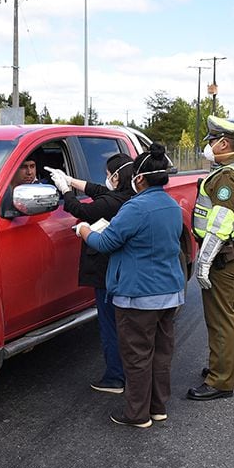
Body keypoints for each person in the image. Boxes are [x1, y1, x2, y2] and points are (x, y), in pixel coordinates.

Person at [74, 143, 184, 428]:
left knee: (136, 356)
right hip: (169, 293)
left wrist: (84, 230)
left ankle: (137, 414)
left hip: (138, 295)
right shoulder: (171, 205)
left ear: (140, 178)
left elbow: (106, 242)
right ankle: (157, 407)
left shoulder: (135, 208)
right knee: (161, 355)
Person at [48, 154, 136, 394]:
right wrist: (72, 180)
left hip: (106, 272)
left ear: (116, 177)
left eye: (108, 175)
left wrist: (65, 191)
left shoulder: (113, 202)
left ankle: (115, 377)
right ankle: (130, 373)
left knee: (109, 324)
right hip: (124, 271)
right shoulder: (130, 195)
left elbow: (81, 210)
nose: (105, 179)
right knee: (125, 324)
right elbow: (98, 191)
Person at [188, 117, 234, 402]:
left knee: (219, 318)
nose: (207, 146)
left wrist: (203, 262)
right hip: (233, 252)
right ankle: (228, 370)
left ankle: (220, 381)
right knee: (229, 314)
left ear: (223, 143)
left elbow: (220, 223)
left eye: (210, 141)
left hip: (222, 255)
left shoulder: (227, 176)